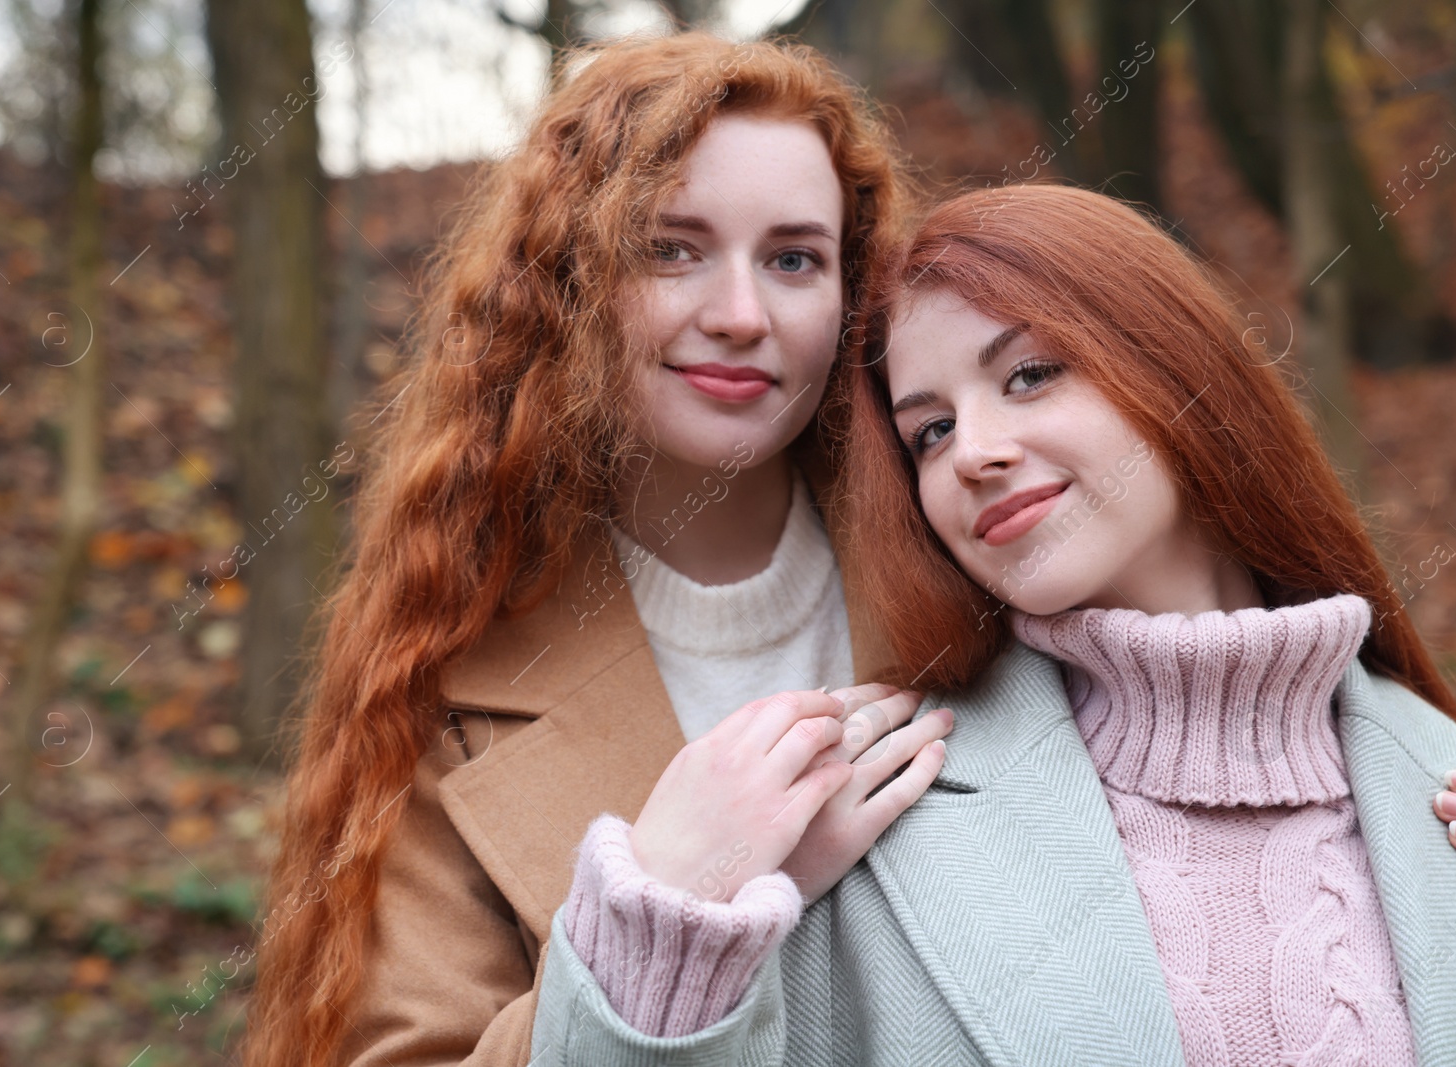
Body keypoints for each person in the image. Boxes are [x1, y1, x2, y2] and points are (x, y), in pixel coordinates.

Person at [530, 183, 1456, 1064]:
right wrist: (669, 922)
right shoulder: (866, 813)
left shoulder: (1433, 778)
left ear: (1182, 369)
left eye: (1028, 374)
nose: (973, 452)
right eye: (928, 431)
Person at [236, 32, 950, 1067]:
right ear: (570, 282)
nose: (742, 315)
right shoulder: (445, 665)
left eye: (793, 258)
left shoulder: (975, 548)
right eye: (671, 249)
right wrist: (665, 910)